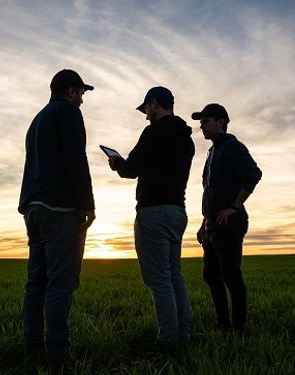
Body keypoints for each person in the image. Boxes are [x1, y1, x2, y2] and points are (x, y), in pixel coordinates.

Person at [18, 69, 95, 367]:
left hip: (33, 209)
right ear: (72, 91)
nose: (83, 101)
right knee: (61, 283)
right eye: (82, 94)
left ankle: (33, 351)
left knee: (36, 283)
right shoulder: (69, 113)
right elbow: (76, 158)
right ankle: (60, 357)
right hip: (60, 209)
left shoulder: (37, 120)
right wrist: (87, 204)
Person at [108, 86, 195, 350]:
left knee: (158, 280)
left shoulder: (154, 132)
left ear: (154, 104)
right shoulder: (186, 138)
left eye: (146, 109)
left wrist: (117, 163)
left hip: (154, 212)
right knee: (174, 276)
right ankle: (183, 336)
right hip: (178, 211)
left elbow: (131, 169)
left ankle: (168, 341)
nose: (145, 115)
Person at [193, 103, 262, 336]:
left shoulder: (232, 146)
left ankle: (238, 329)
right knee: (211, 275)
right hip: (213, 225)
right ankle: (222, 323)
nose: (201, 126)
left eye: (206, 121)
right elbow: (210, 190)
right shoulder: (213, 151)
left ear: (221, 122)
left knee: (231, 275)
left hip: (229, 224)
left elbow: (253, 174)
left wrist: (235, 206)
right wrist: (204, 222)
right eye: (200, 122)